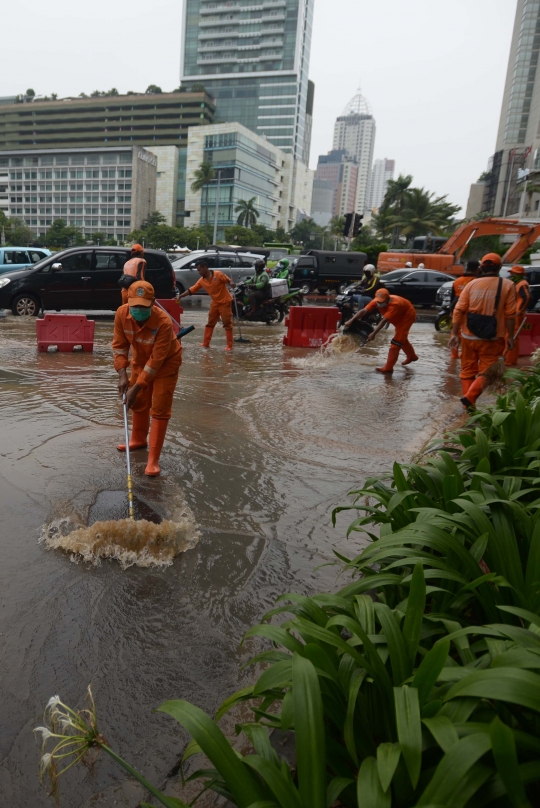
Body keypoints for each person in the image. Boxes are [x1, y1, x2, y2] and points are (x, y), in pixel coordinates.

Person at [113, 280, 182, 476]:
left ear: (153, 303)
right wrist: (122, 374)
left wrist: (137, 386)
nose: (138, 310)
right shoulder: (121, 314)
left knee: (159, 407)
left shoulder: (163, 321)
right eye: (134, 306)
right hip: (140, 360)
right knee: (139, 402)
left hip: (166, 364)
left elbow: (157, 359)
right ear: (128, 301)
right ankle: (138, 439)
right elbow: (119, 346)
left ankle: (153, 459)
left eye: (143, 307)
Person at [450, 253, 516, 409]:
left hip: (468, 335)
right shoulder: (507, 285)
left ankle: (469, 407)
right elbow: (510, 314)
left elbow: (459, 309)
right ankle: (470, 397)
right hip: (493, 338)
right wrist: (511, 336)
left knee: (467, 371)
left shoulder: (471, 284)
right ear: (500, 267)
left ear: (481, 268)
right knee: (489, 372)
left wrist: (454, 334)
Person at [345, 287, 418, 373]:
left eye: (382, 301)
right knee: (402, 337)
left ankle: (389, 367)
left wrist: (373, 333)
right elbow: (364, 311)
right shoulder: (376, 301)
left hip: (406, 316)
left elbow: (384, 320)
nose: (379, 303)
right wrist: (351, 320)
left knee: (397, 341)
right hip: (396, 316)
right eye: (378, 301)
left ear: (387, 299)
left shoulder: (395, 304)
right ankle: (412, 356)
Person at [177, 257, 234, 350]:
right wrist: (180, 296)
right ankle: (205, 343)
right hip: (215, 303)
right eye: (198, 270)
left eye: (200, 270)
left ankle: (229, 346)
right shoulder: (202, 281)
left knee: (227, 324)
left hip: (225, 302)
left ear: (205, 267)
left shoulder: (218, 274)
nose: (199, 272)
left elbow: (228, 280)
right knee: (210, 323)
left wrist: (231, 283)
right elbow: (192, 289)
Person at [449, 260, 480, 359]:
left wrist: (451, 310)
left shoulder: (457, 281)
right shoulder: (476, 281)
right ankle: (464, 355)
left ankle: (454, 355)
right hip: (469, 311)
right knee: (467, 333)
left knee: (455, 332)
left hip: (456, 309)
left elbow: (452, 297)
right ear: (477, 269)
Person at [505, 265, 531, 366]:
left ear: (518, 274)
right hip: (514, 313)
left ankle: (508, 360)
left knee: (511, 336)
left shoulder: (522, 284)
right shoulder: (518, 283)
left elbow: (527, 297)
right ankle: (512, 360)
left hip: (516, 314)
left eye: (512, 273)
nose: (511, 275)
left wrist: (520, 310)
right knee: (513, 337)